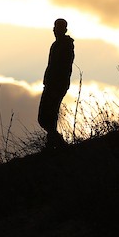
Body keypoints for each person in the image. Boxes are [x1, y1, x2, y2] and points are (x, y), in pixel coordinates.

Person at [37, 18, 75, 147]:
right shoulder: (57, 44)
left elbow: (63, 67)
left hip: (57, 84)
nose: (55, 30)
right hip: (51, 84)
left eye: (58, 27)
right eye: (54, 27)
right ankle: (54, 142)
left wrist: (56, 83)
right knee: (45, 116)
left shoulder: (66, 45)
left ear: (64, 30)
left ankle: (57, 143)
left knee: (47, 115)